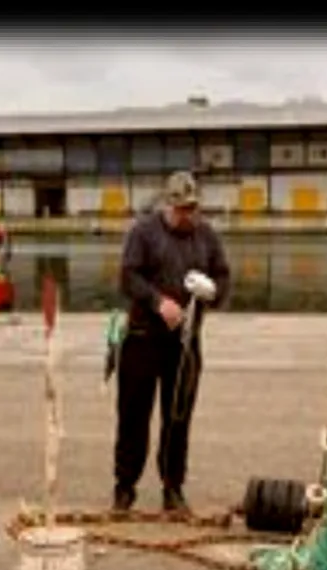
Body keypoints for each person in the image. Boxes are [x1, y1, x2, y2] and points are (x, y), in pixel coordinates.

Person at [112, 170, 231, 514]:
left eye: (193, 209)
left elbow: (223, 276)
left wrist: (213, 292)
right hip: (142, 339)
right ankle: (124, 486)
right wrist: (156, 301)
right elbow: (127, 276)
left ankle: (173, 487)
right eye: (181, 210)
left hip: (184, 345)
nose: (188, 216)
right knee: (133, 415)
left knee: (177, 417)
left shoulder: (207, 237)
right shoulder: (143, 233)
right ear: (167, 205)